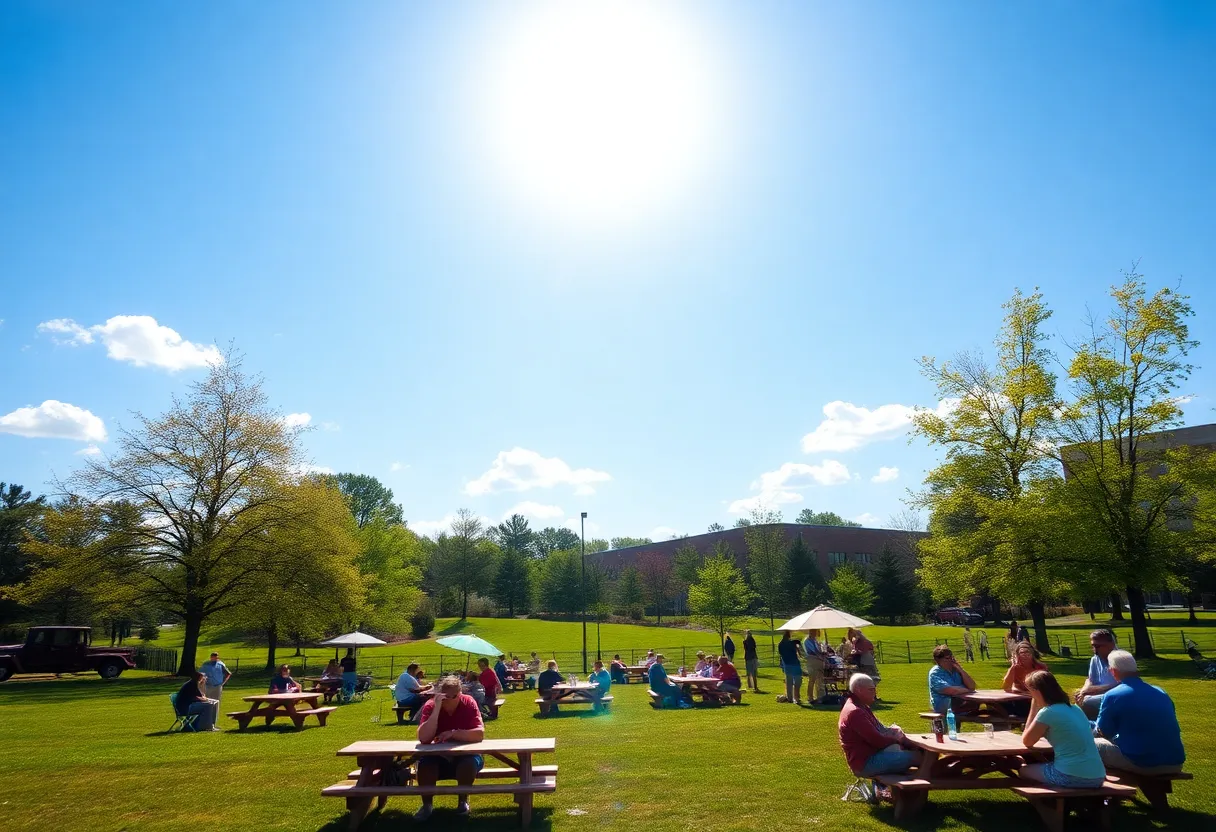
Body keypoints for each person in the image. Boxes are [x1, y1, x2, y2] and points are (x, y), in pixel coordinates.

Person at [1092, 650, 1185, 775]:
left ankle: (1096, 785)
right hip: (1175, 762)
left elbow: (1104, 732)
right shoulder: (1161, 692)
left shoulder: (1113, 695)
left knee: (1088, 745)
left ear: (1113, 670)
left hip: (1142, 763)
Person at [414, 675, 486, 821]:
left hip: (466, 754)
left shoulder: (469, 702)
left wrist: (453, 733)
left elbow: (479, 734)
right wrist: (436, 709)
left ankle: (463, 801)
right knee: (425, 766)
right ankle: (427, 805)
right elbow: (424, 738)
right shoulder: (431, 705)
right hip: (437, 755)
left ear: (460, 693)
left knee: (468, 764)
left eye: (453, 696)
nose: (449, 700)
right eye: (444, 696)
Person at [1018, 670, 1106, 789]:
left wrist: (1033, 707)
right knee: (1044, 765)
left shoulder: (1048, 712)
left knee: (1023, 771)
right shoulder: (1075, 709)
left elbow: (1027, 741)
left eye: (1030, 691)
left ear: (1037, 691)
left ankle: (1053, 799)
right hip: (1098, 777)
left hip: (1071, 776)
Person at [838, 674, 916, 780]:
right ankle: (922, 784)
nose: (875, 693)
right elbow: (877, 741)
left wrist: (892, 731)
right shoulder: (855, 712)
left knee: (914, 751)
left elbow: (879, 730)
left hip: (868, 758)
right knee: (918, 757)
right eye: (871, 690)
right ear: (859, 690)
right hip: (866, 764)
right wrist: (897, 739)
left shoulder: (860, 706)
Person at [1075, 629, 1118, 718]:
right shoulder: (1095, 659)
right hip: (1100, 694)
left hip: (1116, 695)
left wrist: (1091, 690)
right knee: (1079, 699)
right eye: (1093, 646)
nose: (1095, 650)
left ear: (1111, 644)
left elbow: (1121, 684)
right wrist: (1083, 691)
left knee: (1086, 702)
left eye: (1098, 646)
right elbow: (1090, 679)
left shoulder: (1120, 658)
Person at [1003, 641, 1048, 718]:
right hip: (1019, 699)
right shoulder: (1015, 668)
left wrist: (1027, 692)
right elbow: (1006, 687)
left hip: (1036, 700)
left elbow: (1046, 687)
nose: (1025, 655)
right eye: (1021, 653)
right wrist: (1013, 666)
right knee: (1000, 705)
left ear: (1032, 654)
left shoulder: (1041, 667)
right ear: (1017, 655)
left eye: (1027, 652)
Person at [928, 645, 976, 714]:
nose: (951, 660)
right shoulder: (935, 673)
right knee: (973, 705)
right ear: (938, 660)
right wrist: (969, 690)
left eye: (952, 657)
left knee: (980, 706)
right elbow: (950, 690)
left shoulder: (955, 670)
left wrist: (961, 670)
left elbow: (972, 686)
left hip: (960, 702)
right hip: (944, 706)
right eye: (948, 658)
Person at [777, 630, 803, 704]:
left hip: (787, 664)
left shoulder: (780, 644)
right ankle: (797, 697)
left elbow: (781, 654)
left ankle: (790, 698)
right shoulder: (792, 643)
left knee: (789, 682)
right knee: (797, 681)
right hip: (795, 664)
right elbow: (797, 648)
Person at [803, 629, 826, 705]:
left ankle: (820, 697)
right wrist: (820, 654)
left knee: (820, 680)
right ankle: (810, 697)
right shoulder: (807, 641)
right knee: (812, 680)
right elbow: (813, 651)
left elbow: (819, 650)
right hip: (812, 660)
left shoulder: (816, 641)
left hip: (819, 661)